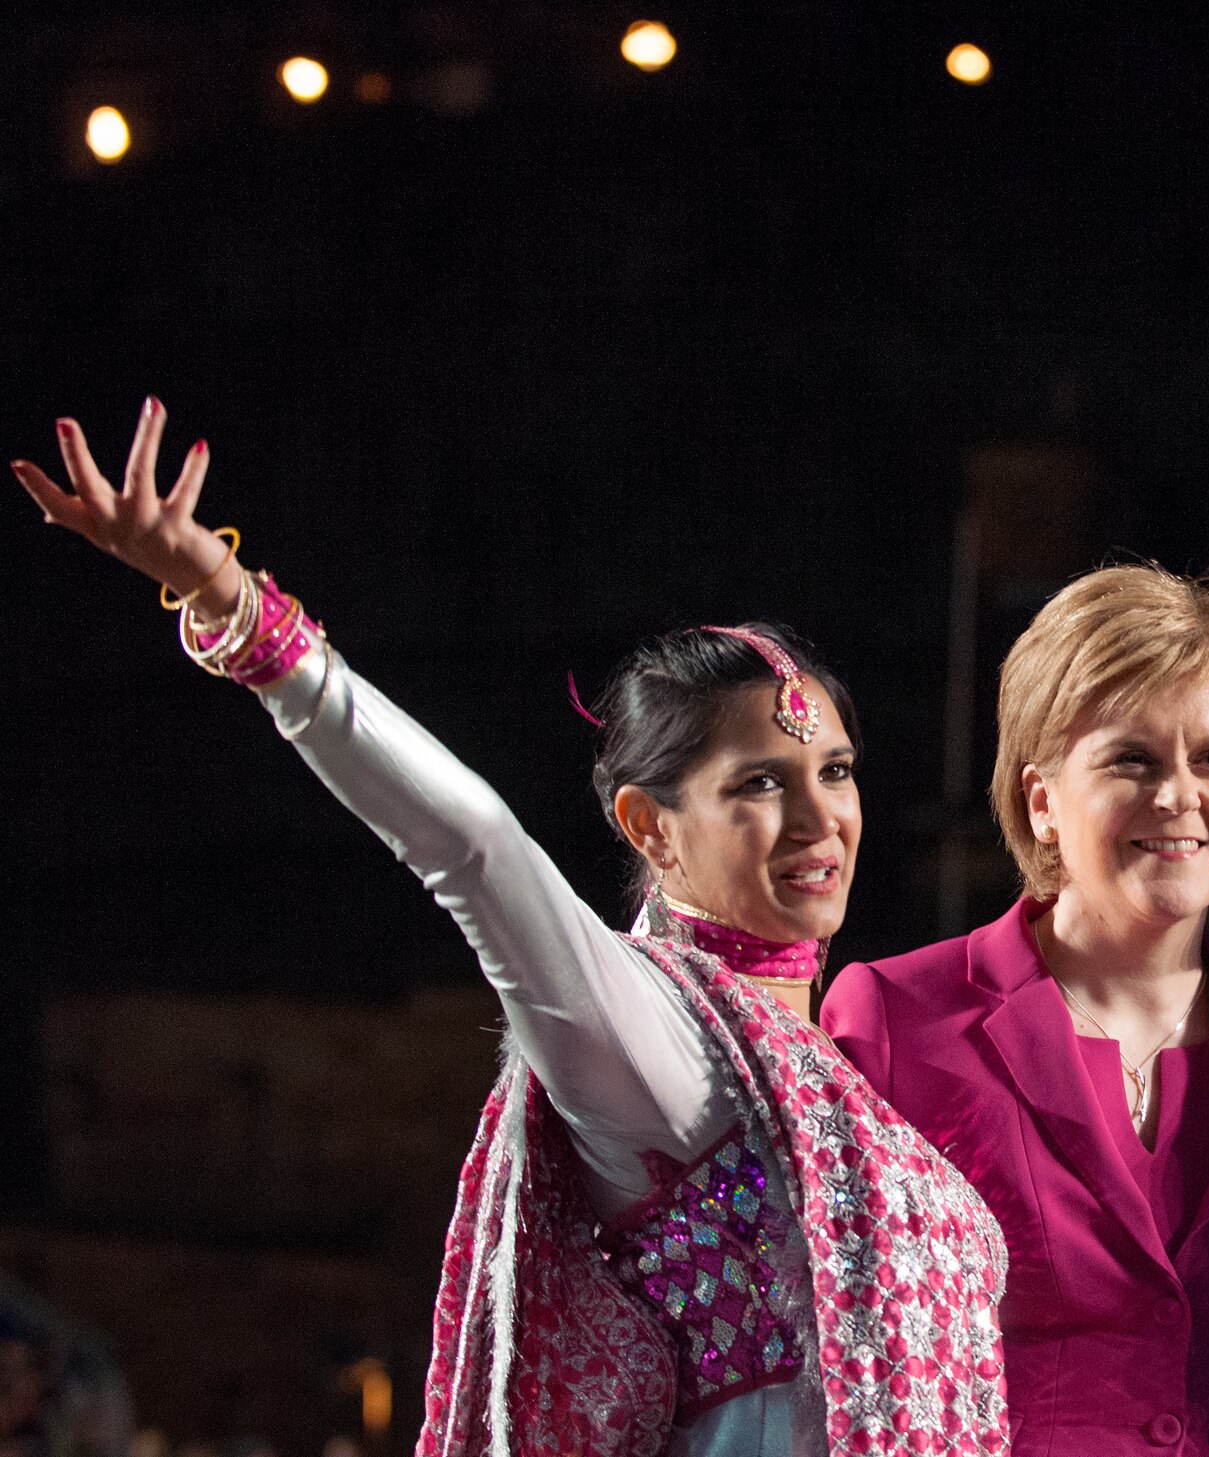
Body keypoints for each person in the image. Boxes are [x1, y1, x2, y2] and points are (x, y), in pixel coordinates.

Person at [11, 401, 1010, 1457]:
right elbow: (475, 846)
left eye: (835, 771)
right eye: (759, 784)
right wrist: (245, 617)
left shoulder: (853, 1093)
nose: (818, 818)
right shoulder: (658, 1040)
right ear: (649, 826)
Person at [821, 565, 1209, 1457]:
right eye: (1131, 759)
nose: (1178, 795)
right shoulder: (894, 1021)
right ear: (1042, 801)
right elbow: (828, 1346)